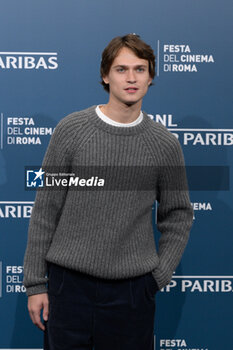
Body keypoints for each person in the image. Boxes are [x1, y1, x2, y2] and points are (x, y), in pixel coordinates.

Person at [23, 33, 193, 350]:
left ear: (151, 76)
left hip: (132, 294)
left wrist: (157, 277)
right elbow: (45, 209)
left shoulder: (164, 143)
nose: (131, 78)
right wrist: (35, 285)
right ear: (105, 75)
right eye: (121, 69)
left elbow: (179, 215)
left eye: (140, 69)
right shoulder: (71, 130)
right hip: (68, 288)